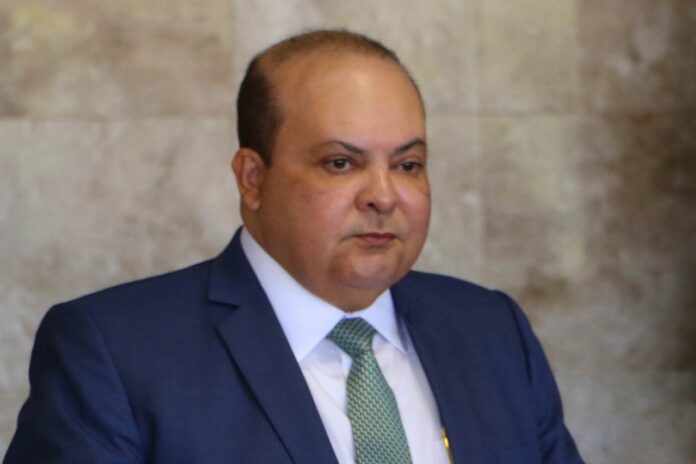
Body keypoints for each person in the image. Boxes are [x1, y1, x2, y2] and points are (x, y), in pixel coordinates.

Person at [4, 30, 584, 464]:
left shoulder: (492, 330)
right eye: (341, 163)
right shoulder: (115, 352)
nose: (384, 195)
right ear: (253, 180)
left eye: (408, 164)